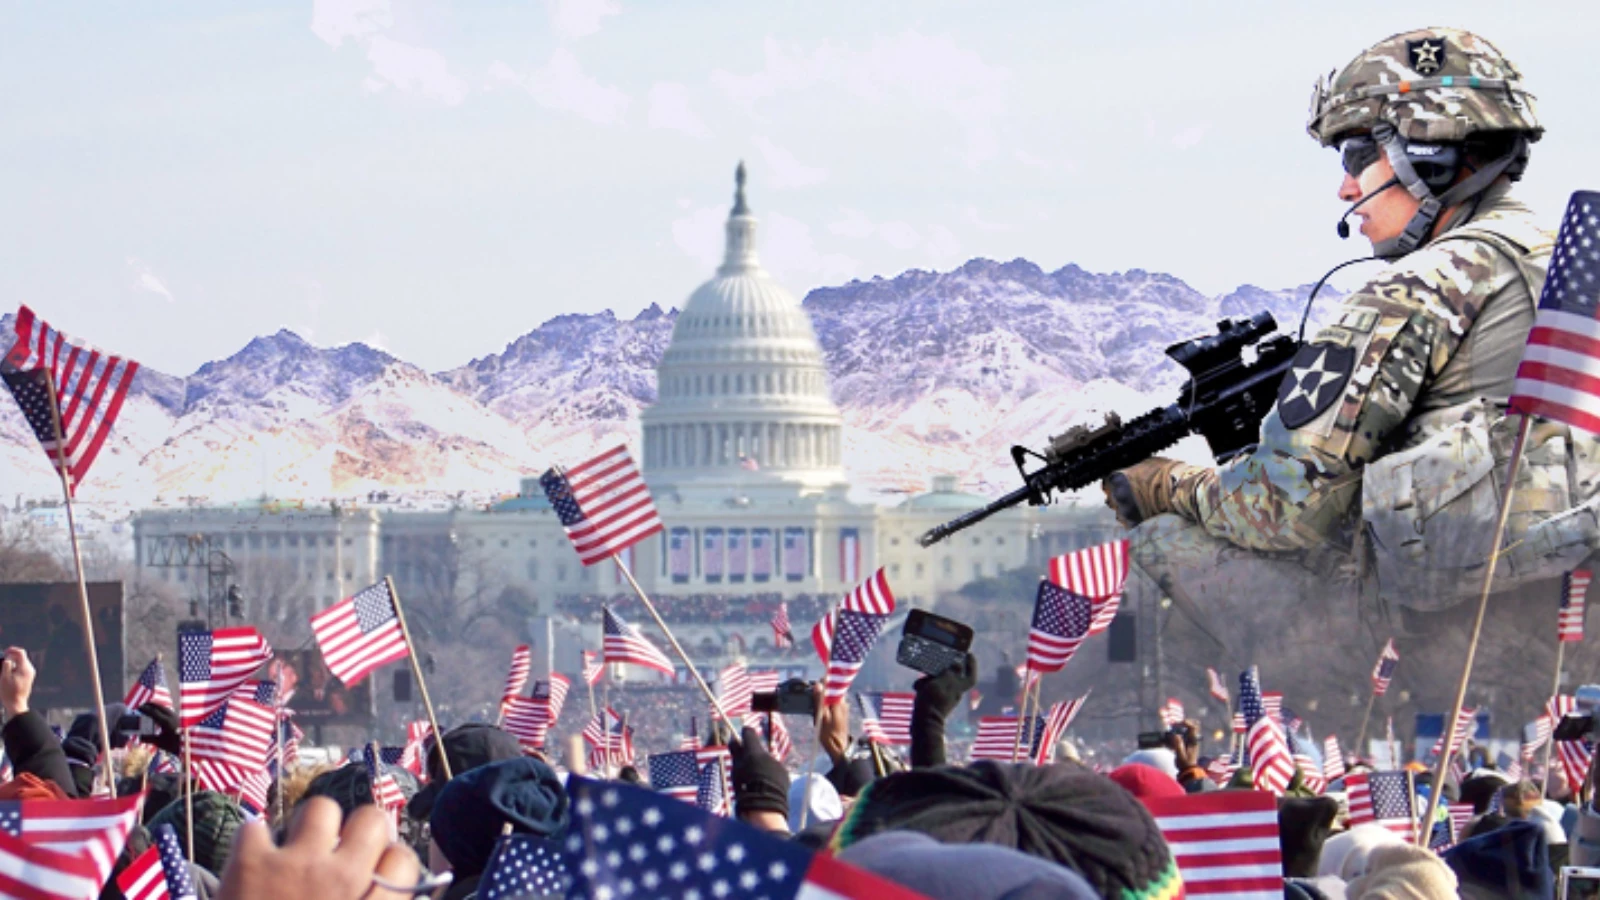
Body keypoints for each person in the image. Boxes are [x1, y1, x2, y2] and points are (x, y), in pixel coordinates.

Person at [1103, 28, 1594, 642]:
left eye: (1358, 155)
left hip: (1457, 636)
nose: (1345, 188)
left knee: (1161, 538)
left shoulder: (1418, 288)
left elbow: (1280, 510)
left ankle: (1294, 722)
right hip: (1570, 610)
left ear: (1429, 153)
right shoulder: (1575, 267)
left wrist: (1164, 484)